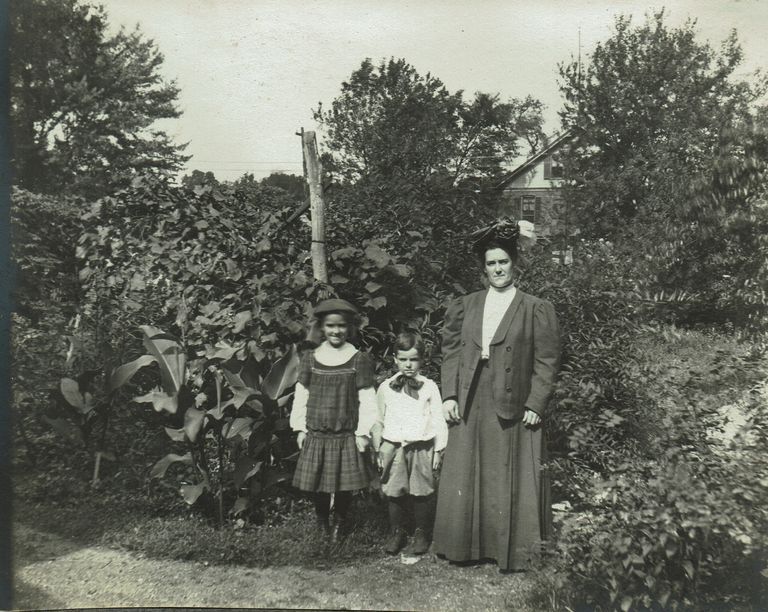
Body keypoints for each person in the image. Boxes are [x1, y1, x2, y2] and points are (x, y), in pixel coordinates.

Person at [432, 217, 560, 571]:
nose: (498, 269)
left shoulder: (535, 307)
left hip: (515, 401)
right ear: (483, 269)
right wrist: (449, 395)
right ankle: (465, 548)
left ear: (515, 264)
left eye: (504, 261)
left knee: (509, 473)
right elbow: (452, 352)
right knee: (470, 471)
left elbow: (547, 360)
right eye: (491, 263)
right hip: (472, 397)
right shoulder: (466, 305)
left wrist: (536, 402)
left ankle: (515, 552)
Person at [290, 298, 377, 541]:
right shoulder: (311, 357)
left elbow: (367, 397)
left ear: (350, 328)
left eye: (341, 326)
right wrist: (299, 428)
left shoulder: (358, 358)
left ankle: (340, 521)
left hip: (345, 432)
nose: (335, 331)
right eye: (330, 326)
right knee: (318, 481)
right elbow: (302, 393)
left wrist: (363, 433)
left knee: (343, 483)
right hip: (317, 431)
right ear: (321, 327)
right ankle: (321, 521)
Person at [373, 332, 448, 555]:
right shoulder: (386, 387)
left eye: (413, 359)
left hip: (421, 445)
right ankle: (397, 532)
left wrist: (439, 448)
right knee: (394, 490)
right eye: (403, 359)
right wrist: (378, 447)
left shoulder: (429, 386)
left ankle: (421, 533)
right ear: (395, 359)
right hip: (393, 445)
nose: (408, 364)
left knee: (421, 490)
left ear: (422, 360)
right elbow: (378, 418)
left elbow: (438, 419)